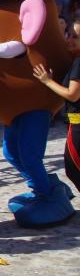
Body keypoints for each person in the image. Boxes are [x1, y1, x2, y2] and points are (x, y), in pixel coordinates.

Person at [34, 59, 80, 194]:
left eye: (74, 37)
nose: (69, 39)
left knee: (74, 168)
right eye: (67, 35)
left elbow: (73, 94)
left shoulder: (78, 62)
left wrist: (47, 81)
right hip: (75, 122)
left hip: (77, 123)